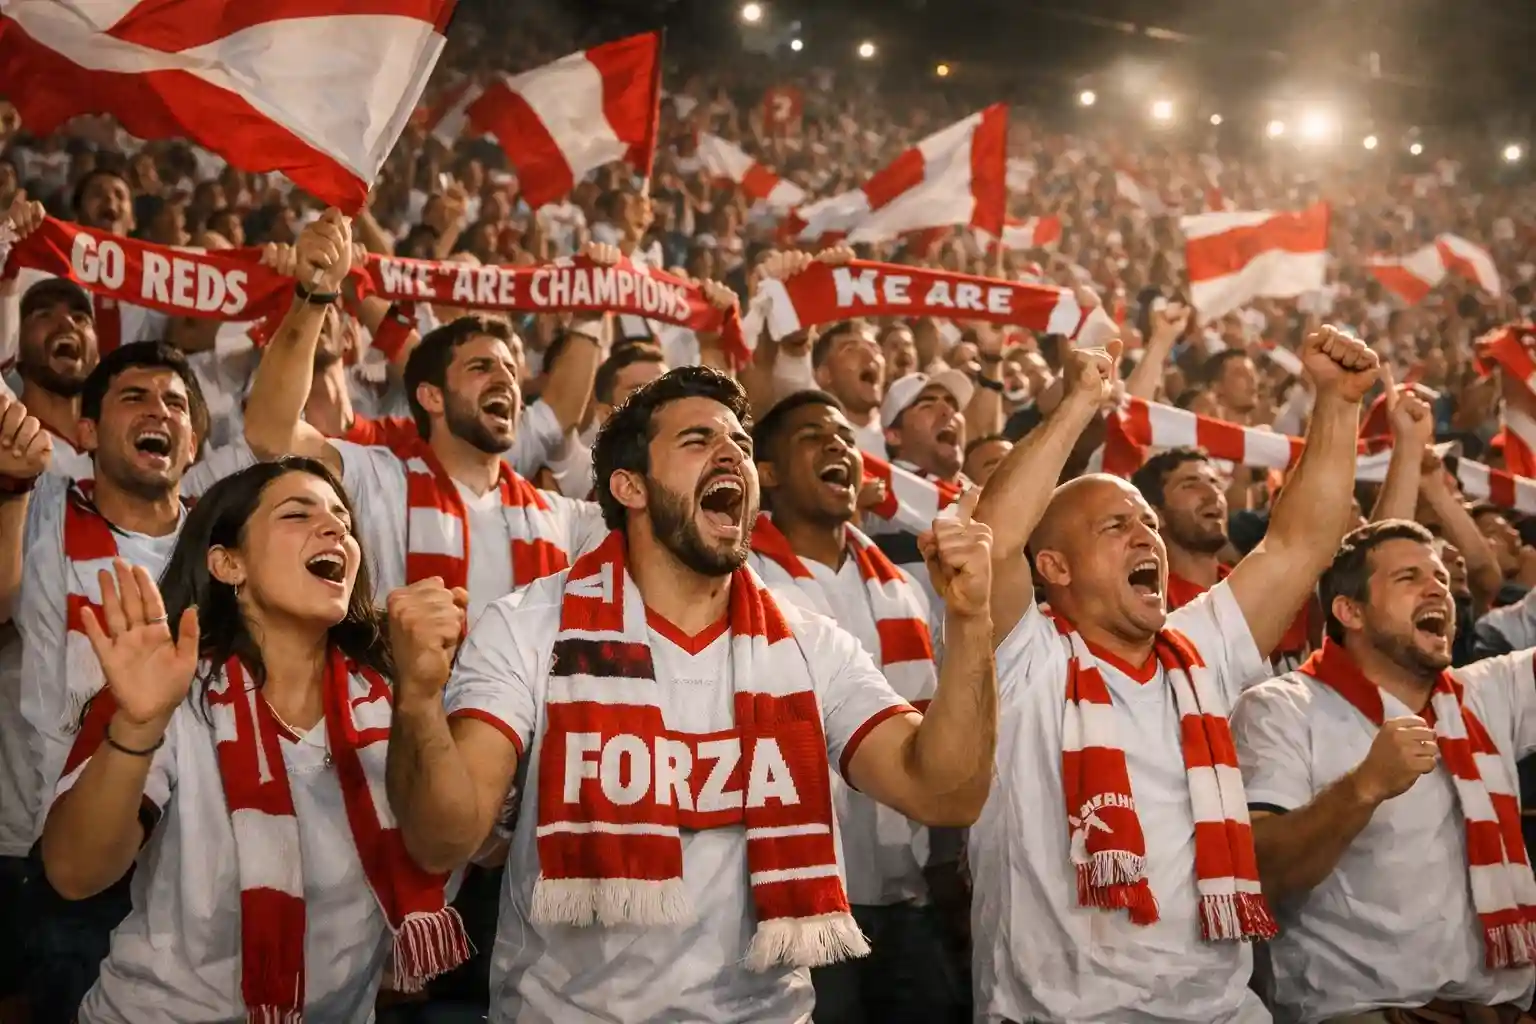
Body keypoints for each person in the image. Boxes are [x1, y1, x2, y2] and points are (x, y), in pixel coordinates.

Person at [383, 366, 999, 1023]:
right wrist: (417, 701)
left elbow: (945, 791)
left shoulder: (810, 642)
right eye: (698, 440)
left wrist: (971, 623)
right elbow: (442, 840)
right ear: (631, 487)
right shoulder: (531, 625)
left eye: (738, 440)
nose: (731, 450)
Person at [970, 325, 1380, 1024]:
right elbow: (997, 534)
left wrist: (1337, 405)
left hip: (1220, 1008)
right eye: (1116, 528)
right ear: (1056, 568)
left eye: (1149, 525)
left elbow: (1300, 543)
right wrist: (1075, 408)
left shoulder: (1197, 649)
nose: (1146, 537)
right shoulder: (1022, 659)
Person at [41, 458, 470, 1023]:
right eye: (298, 513)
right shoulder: (175, 686)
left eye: (344, 517)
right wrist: (139, 725)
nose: (335, 527)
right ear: (227, 563)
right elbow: (74, 873)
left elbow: (455, 844)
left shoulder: (392, 699)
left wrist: (421, 696)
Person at [0, 340, 253, 1022]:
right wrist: (11, 490)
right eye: (134, 397)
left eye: (176, 402)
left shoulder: (233, 544)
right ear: (84, 433)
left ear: (195, 442)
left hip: (198, 864)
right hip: (51, 845)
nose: (159, 412)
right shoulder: (46, 506)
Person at [1232, 520, 1536, 1022]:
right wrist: (1363, 787)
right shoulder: (1281, 710)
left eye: (1439, 575)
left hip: (1501, 1010)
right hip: (1365, 1014)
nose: (1436, 586)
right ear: (1349, 611)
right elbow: (1261, 876)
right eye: (1408, 577)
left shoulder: (1486, 694)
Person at [242, 211, 608, 627]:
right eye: (480, 367)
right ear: (431, 396)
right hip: (402, 692)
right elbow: (270, 434)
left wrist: (592, 310)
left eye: (510, 370)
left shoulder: (558, 518)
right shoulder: (378, 482)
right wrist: (316, 295)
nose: (505, 379)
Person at [746, 389, 962, 1024]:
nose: (838, 445)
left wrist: (946, 856)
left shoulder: (905, 587)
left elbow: (935, 725)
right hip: (798, 898)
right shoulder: (742, 581)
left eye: (844, 435)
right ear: (768, 472)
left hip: (905, 887)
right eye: (813, 435)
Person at [1131, 447, 1312, 669]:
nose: (1212, 493)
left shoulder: (1256, 588)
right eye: (1190, 484)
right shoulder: (1145, 605)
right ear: (1156, 515)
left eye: (1215, 483)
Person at [811, 321, 887, 457]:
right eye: (851, 350)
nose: (871, 357)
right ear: (825, 375)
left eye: (875, 349)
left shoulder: (907, 439)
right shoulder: (817, 446)